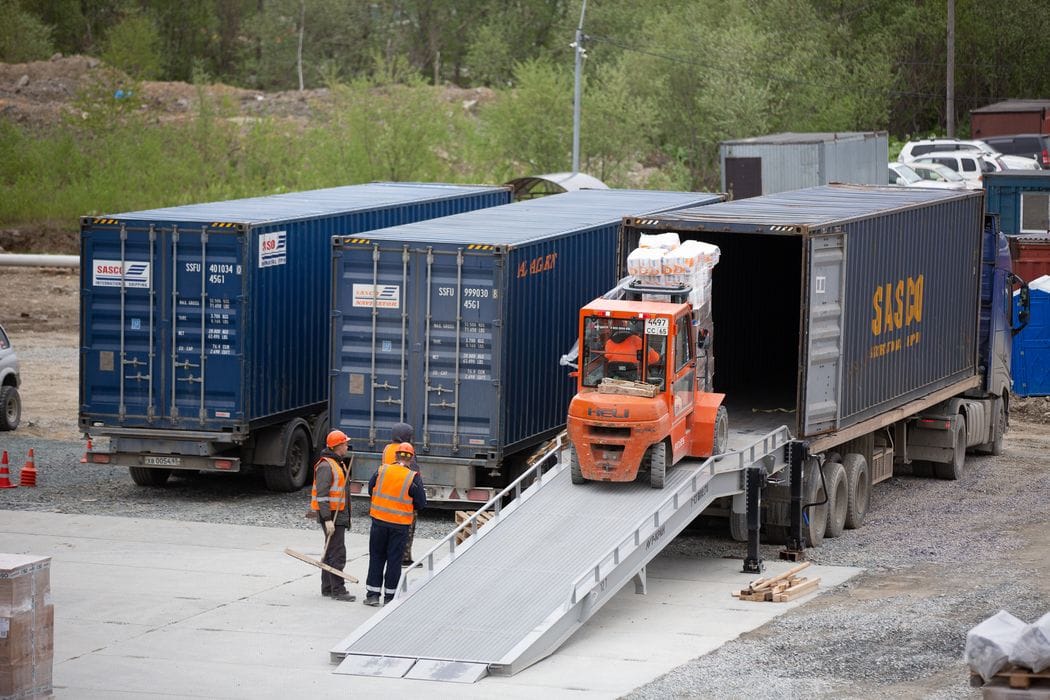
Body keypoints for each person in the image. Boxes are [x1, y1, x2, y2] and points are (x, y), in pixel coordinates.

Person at [364, 442, 427, 606]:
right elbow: (421, 502)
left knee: (376, 557)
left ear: (395, 456)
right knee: (394, 560)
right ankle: (390, 597)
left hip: (378, 522)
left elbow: (371, 489)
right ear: (411, 458)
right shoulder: (412, 477)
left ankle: (372, 595)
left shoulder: (382, 470)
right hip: (399, 525)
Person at [311, 430, 355, 602]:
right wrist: (327, 519)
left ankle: (328, 587)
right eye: (345, 443)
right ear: (337, 446)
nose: (347, 446)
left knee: (330, 550)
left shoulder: (338, 463)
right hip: (332, 516)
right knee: (337, 552)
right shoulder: (326, 466)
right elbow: (322, 495)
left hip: (338, 513)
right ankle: (338, 589)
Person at [382, 423, 418, 566]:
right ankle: (405, 557)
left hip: (388, 496)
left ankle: (393, 555)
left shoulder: (387, 449)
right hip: (404, 497)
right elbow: (414, 474)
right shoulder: (406, 451)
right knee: (407, 529)